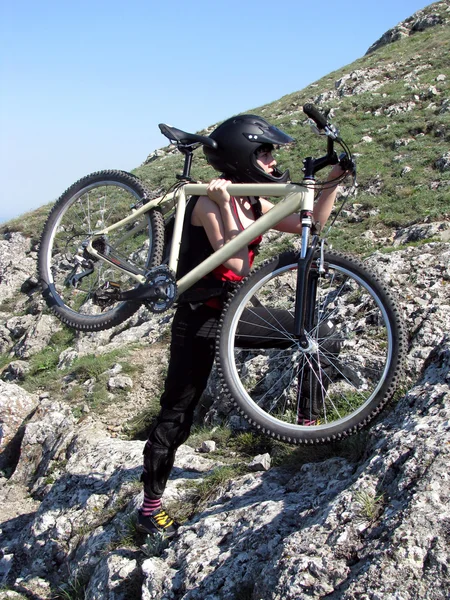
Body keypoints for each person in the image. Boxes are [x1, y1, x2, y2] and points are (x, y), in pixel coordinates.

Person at [136, 114, 347, 536]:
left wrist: (335, 179)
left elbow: (313, 223)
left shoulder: (251, 198)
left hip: (232, 314)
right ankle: (149, 507)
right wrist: (222, 204)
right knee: (178, 411)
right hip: (198, 318)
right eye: (265, 152)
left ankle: (308, 430)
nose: (271, 160)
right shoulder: (207, 201)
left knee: (317, 338)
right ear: (243, 156)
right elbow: (234, 263)